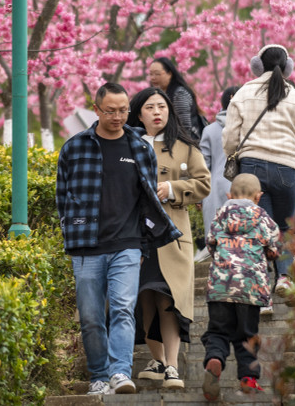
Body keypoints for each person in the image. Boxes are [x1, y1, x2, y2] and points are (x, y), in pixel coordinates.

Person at [55, 82, 183, 396]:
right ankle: (98, 375)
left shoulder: (139, 148)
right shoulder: (74, 147)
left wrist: (142, 242)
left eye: (123, 110)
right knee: (91, 315)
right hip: (86, 246)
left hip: (127, 244)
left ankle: (120, 373)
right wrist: (73, 231)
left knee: (124, 309)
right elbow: (62, 197)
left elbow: (148, 198)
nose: (117, 116)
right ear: (96, 109)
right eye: (110, 110)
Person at [126, 87, 211, 390]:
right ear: (139, 113)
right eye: (150, 107)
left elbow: (203, 183)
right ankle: (158, 359)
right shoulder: (128, 145)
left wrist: (173, 189)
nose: (157, 112)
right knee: (144, 297)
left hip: (172, 236)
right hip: (135, 235)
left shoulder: (185, 147)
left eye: (162, 106)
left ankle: (172, 367)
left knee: (168, 299)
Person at [222, 44, 295, 296]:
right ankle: (284, 277)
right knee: (284, 227)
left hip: (251, 168)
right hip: (287, 169)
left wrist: (235, 154)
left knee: (257, 229)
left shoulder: (243, 93)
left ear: (257, 66)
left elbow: (230, 137)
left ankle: (262, 293)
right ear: (287, 68)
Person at [201, 174, 282, 402]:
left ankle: (214, 360)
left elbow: (210, 243)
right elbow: (275, 248)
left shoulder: (220, 214)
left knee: (217, 331)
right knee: (247, 335)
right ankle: (248, 379)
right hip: (250, 288)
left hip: (220, 286)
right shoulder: (262, 216)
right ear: (259, 197)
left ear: (229, 196)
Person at [196, 86, 240, 263]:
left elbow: (203, 165)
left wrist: (199, 194)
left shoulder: (210, 130)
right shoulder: (248, 128)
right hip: (243, 186)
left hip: (214, 188)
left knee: (217, 239)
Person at [149, 56, 207, 140]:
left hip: (186, 144)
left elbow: (184, 126)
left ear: (169, 74)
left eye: (157, 74)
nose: (153, 78)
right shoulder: (161, 94)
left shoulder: (179, 94)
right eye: (151, 74)